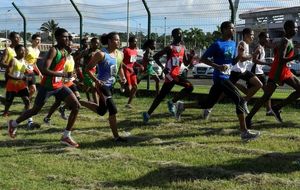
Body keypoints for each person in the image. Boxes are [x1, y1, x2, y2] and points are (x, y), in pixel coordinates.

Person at [174, 21, 260, 141]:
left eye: (234, 28)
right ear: (224, 30)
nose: (233, 30)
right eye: (231, 28)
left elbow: (232, 62)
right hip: (220, 77)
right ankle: (244, 132)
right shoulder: (217, 44)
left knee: (208, 103)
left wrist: (240, 55)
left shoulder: (233, 43)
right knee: (239, 100)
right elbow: (203, 58)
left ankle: (182, 106)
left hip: (226, 76)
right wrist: (217, 66)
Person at [7, 28, 81, 148]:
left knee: (76, 106)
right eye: (64, 37)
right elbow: (45, 70)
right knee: (35, 110)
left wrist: (71, 74)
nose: (67, 39)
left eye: (68, 37)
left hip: (59, 85)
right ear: (57, 38)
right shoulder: (53, 50)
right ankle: (14, 123)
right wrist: (62, 74)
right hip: (47, 87)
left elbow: (64, 65)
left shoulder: (66, 51)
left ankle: (66, 136)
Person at [246, 20, 300, 128]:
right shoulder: (284, 41)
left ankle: (276, 107)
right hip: (277, 71)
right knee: (266, 97)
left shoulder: (289, 40)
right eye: (295, 28)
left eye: (297, 27)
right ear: (288, 28)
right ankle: (248, 118)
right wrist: (295, 57)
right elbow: (280, 60)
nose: (297, 29)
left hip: (285, 71)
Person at [79, 32, 126, 142]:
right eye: (116, 40)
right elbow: (87, 69)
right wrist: (97, 80)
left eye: (119, 40)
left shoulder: (120, 54)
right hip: (102, 86)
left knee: (101, 111)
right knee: (113, 110)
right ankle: (116, 137)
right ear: (109, 41)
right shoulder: (101, 54)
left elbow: (119, 68)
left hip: (111, 86)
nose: (118, 42)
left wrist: (122, 79)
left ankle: (79, 101)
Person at [142, 28, 194, 123]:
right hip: (170, 75)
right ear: (173, 36)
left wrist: (191, 57)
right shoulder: (170, 47)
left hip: (177, 74)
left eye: (181, 34)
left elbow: (186, 63)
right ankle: (170, 103)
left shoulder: (183, 48)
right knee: (188, 87)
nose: (181, 36)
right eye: (179, 34)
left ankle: (149, 113)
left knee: (163, 95)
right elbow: (155, 57)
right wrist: (163, 67)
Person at [43, 34, 80, 123]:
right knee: (58, 102)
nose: (70, 47)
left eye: (71, 45)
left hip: (69, 81)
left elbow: (72, 68)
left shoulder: (71, 57)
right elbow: (58, 69)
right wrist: (63, 76)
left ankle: (63, 108)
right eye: (69, 45)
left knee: (77, 97)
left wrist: (74, 74)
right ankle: (48, 117)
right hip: (61, 82)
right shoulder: (62, 56)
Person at [2, 44, 34, 129]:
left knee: (27, 101)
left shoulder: (24, 61)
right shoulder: (13, 60)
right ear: (16, 51)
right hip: (12, 84)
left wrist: (28, 75)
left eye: (24, 50)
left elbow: (26, 72)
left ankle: (29, 118)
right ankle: (5, 112)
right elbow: (7, 74)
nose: (23, 52)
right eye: (21, 50)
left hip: (21, 85)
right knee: (8, 102)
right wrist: (19, 77)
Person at [247, 32, 273, 116]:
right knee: (249, 93)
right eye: (266, 37)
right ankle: (241, 101)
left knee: (267, 92)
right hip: (255, 72)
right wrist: (267, 64)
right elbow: (254, 60)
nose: (268, 39)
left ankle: (269, 110)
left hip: (260, 73)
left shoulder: (262, 47)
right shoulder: (259, 48)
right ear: (261, 38)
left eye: (268, 37)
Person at [122, 36, 143, 108]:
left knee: (135, 86)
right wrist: (127, 67)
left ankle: (128, 104)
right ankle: (123, 86)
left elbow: (133, 62)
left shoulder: (135, 51)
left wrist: (140, 65)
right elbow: (120, 61)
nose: (136, 43)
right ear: (130, 42)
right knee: (129, 87)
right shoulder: (126, 50)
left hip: (132, 71)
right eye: (134, 41)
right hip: (126, 70)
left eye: (136, 41)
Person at [25, 33, 42, 101]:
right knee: (24, 89)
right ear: (32, 40)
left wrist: (39, 73)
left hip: (31, 71)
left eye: (40, 40)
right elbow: (21, 59)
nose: (38, 42)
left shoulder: (38, 51)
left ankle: (27, 101)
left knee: (33, 90)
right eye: (37, 40)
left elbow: (34, 64)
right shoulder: (28, 49)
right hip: (24, 71)